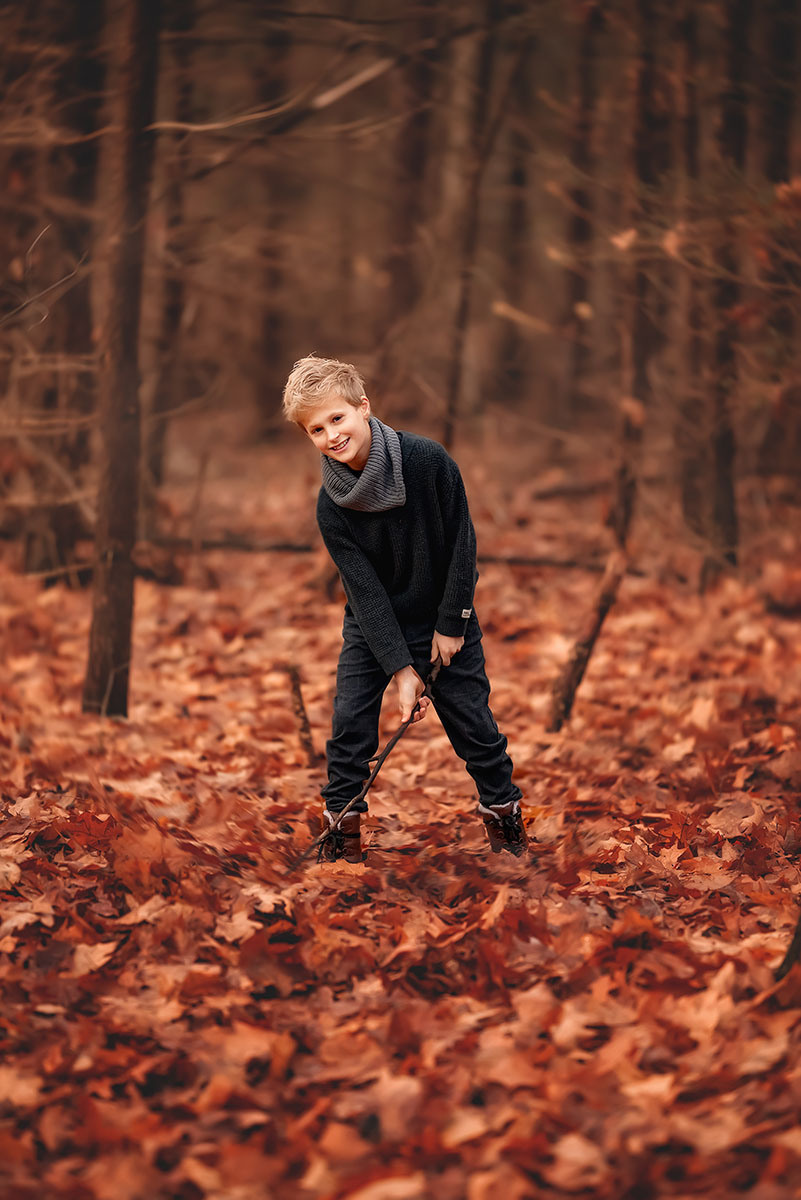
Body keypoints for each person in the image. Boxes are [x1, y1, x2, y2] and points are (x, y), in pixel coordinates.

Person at [282, 354, 527, 863]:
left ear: (363, 408)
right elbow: (363, 592)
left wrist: (452, 622)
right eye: (315, 429)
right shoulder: (332, 506)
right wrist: (399, 667)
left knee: (475, 728)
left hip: (445, 618)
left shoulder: (427, 462)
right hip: (376, 629)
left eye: (337, 418)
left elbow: (463, 544)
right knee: (349, 725)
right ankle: (341, 837)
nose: (330, 435)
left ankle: (505, 823)